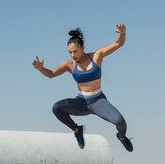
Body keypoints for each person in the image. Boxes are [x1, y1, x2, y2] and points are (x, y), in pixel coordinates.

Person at [32, 23, 133, 152]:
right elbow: (51, 74)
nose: (72, 55)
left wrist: (123, 33)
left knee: (120, 122)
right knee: (57, 108)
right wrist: (41, 69)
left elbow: (118, 44)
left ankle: (122, 138)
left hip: (98, 101)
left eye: (75, 51)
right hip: (81, 102)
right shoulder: (68, 65)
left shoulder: (97, 56)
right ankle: (77, 130)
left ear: (83, 48)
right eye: (70, 52)